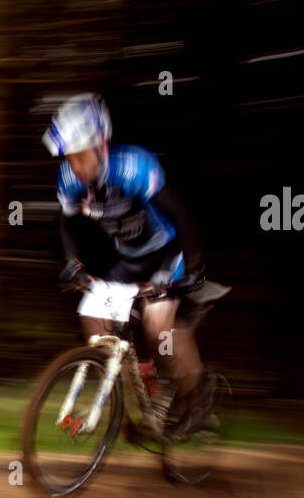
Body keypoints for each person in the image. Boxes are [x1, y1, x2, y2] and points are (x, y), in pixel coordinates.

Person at [43, 92, 212, 438]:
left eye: (79, 156)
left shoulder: (134, 166)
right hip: (130, 260)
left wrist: (194, 268)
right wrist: (72, 263)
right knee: (95, 322)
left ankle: (195, 399)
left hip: (166, 254)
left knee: (156, 325)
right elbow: (68, 225)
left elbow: (180, 214)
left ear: (100, 146)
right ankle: (137, 399)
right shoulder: (71, 179)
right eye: (68, 158)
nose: (73, 165)